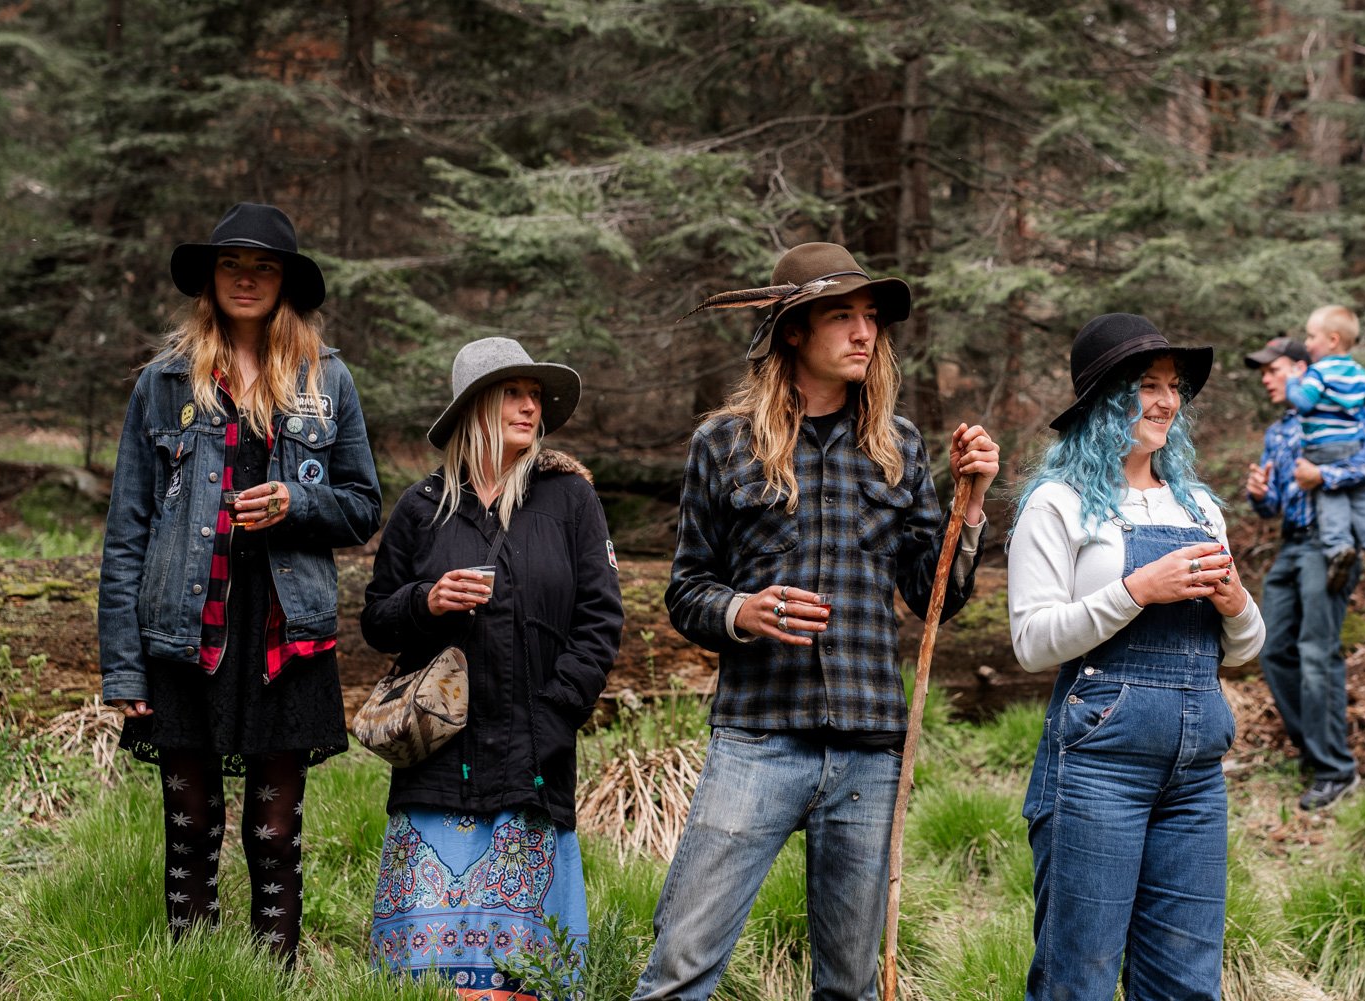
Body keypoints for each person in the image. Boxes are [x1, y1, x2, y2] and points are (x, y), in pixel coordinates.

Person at [631, 241, 1000, 1001]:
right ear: (794, 330)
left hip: (869, 748)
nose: (865, 332)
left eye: (871, 317)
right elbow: (687, 589)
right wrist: (743, 609)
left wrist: (972, 504)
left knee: (850, 987)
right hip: (758, 737)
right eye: (843, 316)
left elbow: (936, 596)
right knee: (680, 968)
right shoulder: (724, 443)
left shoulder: (899, 447)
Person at [98, 202, 382, 965]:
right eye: (232, 265)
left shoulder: (328, 381)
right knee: (190, 826)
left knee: (276, 832)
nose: (247, 279)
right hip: (188, 630)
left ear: (286, 281)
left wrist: (299, 503)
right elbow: (127, 531)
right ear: (211, 279)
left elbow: (363, 506)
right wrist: (123, 663)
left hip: (285, 630)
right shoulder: (162, 384)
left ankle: (274, 977)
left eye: (263, 267)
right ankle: (194, 974)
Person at [1008, 313, 1265, 1001]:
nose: (1166, 401)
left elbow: (1240, 651)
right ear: (1101, 398)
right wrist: (1134, 591)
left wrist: (1237, 601)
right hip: (1097, 765)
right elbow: (1031, 643)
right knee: (1079, 975)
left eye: (1172, 385)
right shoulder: (1057, 504)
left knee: (1186, 982)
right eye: (1145, 384)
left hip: (1196, 771)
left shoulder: (1199, 507)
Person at [361, 337, 623, 997]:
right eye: (514, 391)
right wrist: (428, 599)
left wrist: (556, 712)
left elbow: (601, 620)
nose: (530, 405)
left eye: (535, 394)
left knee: (525, 978)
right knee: (428, 980)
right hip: (438, 764)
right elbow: (375, 620)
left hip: (534, 759)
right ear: (475, 405)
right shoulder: (422, 507)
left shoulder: (569, 499)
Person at [1244, 334, 1365, 810]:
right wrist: (1259, 492)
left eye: (1273, 369)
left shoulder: (1346, 413)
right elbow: (1271, 505)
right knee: (1272, 649)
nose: (1266, 378)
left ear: (1300, 369)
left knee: (1317, 653)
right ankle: (1314, 752)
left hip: (1332, 549)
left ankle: (1337, 771)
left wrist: (1325, 476)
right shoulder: (1280, 431)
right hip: (1290, 545)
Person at [1285, 305, 1365, 591]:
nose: (1307, 343)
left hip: (1322, 445)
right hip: (1352, 444)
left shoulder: (1318, 372)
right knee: (1359, 497)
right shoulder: (1359, 372)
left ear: (1332, 339)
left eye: (1311, 337)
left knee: (1330, 494)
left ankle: (1339, 548)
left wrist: (1291, 383)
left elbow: (1304, 402)